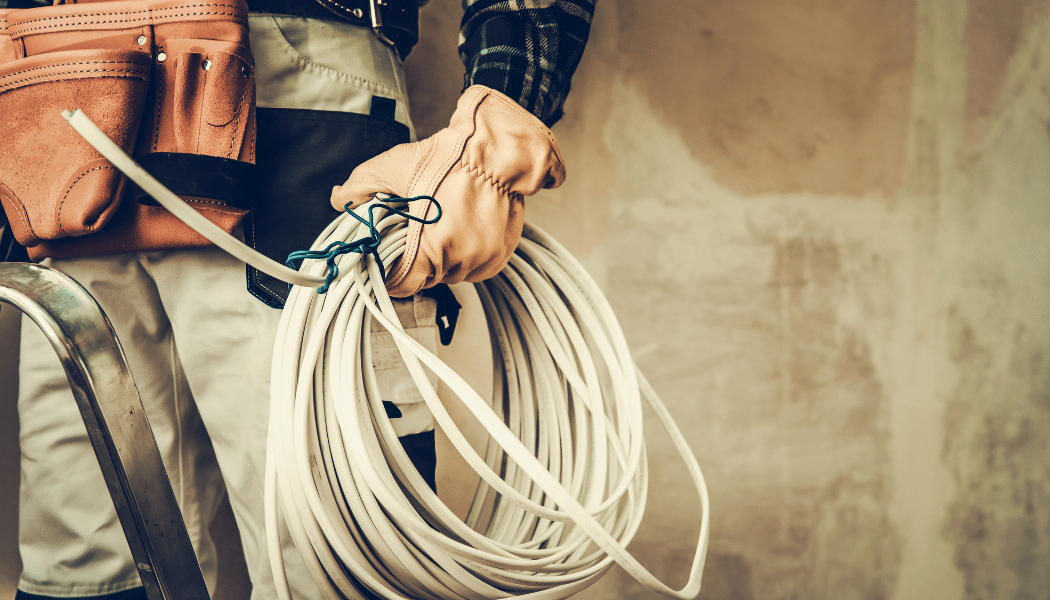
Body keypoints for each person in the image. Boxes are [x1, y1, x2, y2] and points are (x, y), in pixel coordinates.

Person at [9, 0, 596, 598]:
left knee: (327, 558)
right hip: (58, 94)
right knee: (85, 565)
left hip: (288, 88)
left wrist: (495, 131)